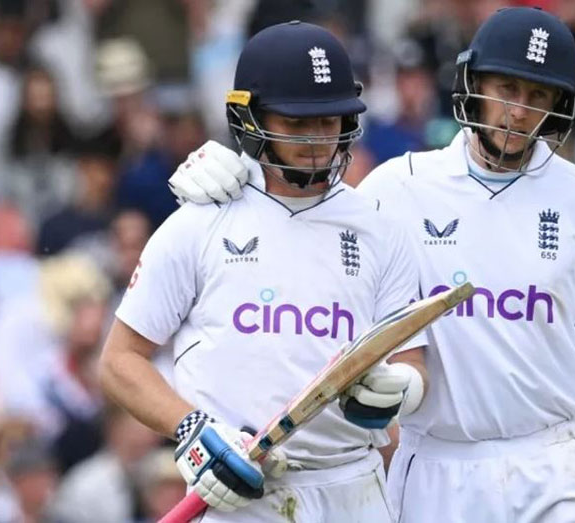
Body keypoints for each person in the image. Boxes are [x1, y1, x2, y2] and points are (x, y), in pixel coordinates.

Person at [166, 8, 575, 523]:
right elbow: (303, 216)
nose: (520, 110)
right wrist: (232, 169)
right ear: (473, 84)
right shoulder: (397, 185)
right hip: (436, 468)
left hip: (559, 459)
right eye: (506, 88)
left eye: (537, 94)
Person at [99, 21, 428, 523]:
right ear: (249, 117)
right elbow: (120, 361)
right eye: (297, 123)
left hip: (353, 489)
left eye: (331, 120)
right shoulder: (198, 222)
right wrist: (193, 429)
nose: (319, 139)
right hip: (239, 490)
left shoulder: (381, 230)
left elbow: (412, 360)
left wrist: (401, 385)